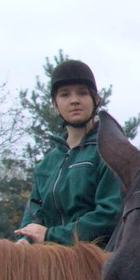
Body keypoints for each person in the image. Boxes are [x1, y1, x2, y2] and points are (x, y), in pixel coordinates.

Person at [14, 59, 122, 247]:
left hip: (96, 257)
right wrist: (25, 239)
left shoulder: (110, 152)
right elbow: (33, 215)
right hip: (48, 257)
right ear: (55, 104)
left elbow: (110, 214)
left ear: (96, 100)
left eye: (82, 93)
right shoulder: (47, 164)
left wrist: (52, 235)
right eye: (65, 94)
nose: (74, 100)